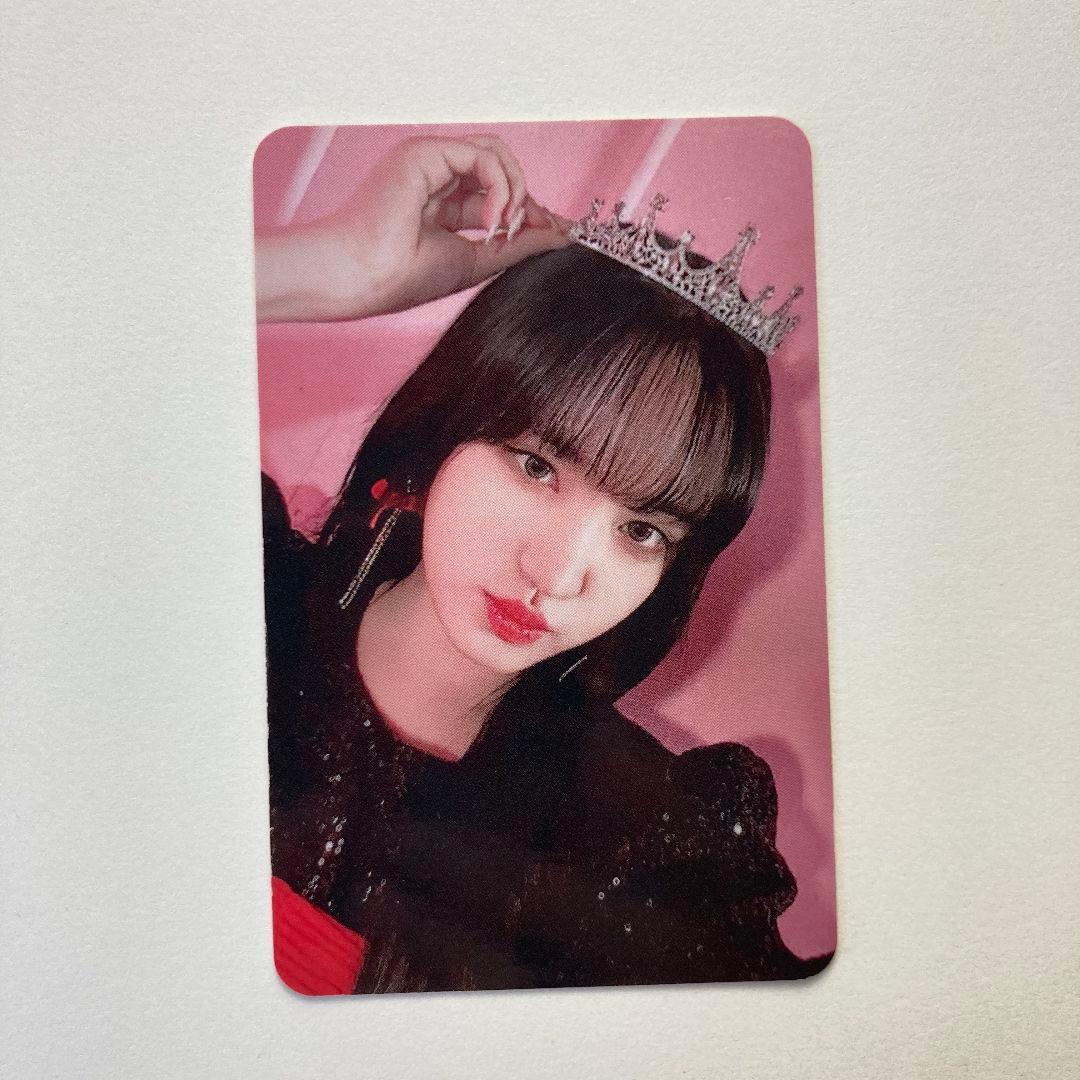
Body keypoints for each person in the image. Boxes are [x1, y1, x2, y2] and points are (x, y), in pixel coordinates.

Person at [255, 133, 831, 994]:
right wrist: (338, 269)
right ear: (444, 431)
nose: (559, 576)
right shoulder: (239, 599)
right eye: (536, 466)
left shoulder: (650, 847)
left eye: (643, 530)